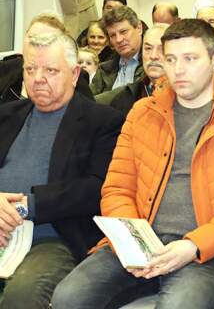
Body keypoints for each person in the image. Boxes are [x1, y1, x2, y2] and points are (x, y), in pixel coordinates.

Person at [52, 18, 214, 309]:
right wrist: (134, 242)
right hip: (143, 244)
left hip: (210, 252)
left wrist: (194, 245)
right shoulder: (142, 113)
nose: (178, 69)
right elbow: (117, 188)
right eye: (170, 59)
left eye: (190, 59)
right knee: (68, 297)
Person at [0, 30, 124, 308]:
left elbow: (96, 188)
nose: (37, 78)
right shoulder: (6, 115)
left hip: (52, 238)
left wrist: (26, 206)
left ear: (75, 74)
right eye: (30, 69)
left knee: (23, 294)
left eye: (51, 70)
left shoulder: (103, 122)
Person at [0, 14, 94, 105]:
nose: (36, 44)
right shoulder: (6, 69)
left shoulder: (73, 78)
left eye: (45, 39)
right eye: (32, 37)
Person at [97, 24, 170, 113]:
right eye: (148, 48)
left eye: (162, 49)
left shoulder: (183, 96)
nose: (153, 56)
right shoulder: (126, 98)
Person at [90, 6, 145, 94]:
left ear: (139, 28)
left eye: (123, 32)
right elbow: (88, 99)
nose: (118, 39)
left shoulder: (151, 65)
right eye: (113, 35)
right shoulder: (104, 70)